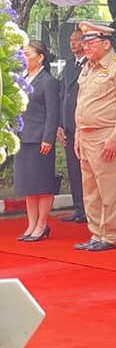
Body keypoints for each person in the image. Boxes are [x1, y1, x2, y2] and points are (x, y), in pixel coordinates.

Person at [73, 22, 116, 252]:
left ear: (106, 43)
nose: (86, 47)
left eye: (91, 42)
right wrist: (78, 134)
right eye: (85, 42)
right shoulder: (88, 67)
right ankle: (96, 233)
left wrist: (115, 138)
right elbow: (81, 103)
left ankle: (111, 234)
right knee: (90, 189)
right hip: (86, 134)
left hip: (106, 134)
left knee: (109, 187)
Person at [14, 41, 59, 242]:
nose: (24, 58)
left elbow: (52, 112)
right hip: (23, 137)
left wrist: (48, 138)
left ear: (40, 57)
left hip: (40, 139)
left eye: (28, 54)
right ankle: (31, 224)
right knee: (29, 185)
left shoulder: (48, 81)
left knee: (42, 184)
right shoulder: (23, 79)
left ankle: (42, 224)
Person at [58, 28, 86, 223]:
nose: (73, 43)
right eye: (71, 40)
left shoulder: (90, 64)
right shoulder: (69, 65)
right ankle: (79, 207)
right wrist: (60, 124)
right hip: (68, 126)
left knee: (86, 170)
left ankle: (89, 209)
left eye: (77, 39)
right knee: (74, 169)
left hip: (84, 126)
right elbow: (63, 95)